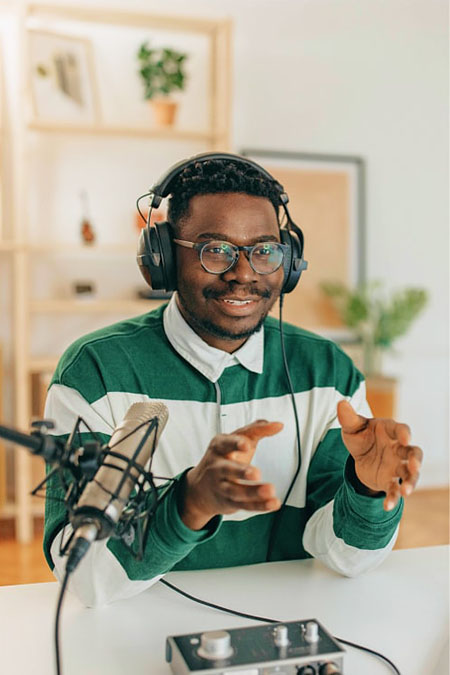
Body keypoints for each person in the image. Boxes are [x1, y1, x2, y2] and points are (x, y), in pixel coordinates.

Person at [43, 153, 422, 608]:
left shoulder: (328, 372)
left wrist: (366, 491)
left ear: (289, 260)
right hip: (138, 632)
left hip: (286, 625)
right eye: (215, 249)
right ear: (161, 259)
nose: (243, 273)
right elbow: (81, 576)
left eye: (264, 250)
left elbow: (346, 560)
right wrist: (188, 505)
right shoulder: (95, 373)